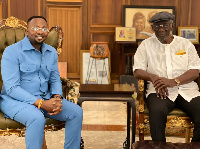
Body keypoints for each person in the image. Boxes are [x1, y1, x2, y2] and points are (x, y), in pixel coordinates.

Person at [0, 16, 83, 149]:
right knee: (37, 118)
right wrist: (41, 104)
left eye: (44, 29)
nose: (40, 31)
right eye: (36, 28)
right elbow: (12, 88)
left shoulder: (51, 52)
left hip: (45, 97)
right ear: (27, 31)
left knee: (76, 112)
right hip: (14, 101)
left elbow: (55, 78)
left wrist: (56, 98)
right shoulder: (12, 52)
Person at [133, 11, 200, 142]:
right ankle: (159, 146)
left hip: (187, 90)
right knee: (156, 114)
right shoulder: (145, 45)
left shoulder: (186, 44)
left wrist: (173, 82)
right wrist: (153, 77)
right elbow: (137, 71)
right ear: (153, 28)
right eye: (157, 26)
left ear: (172, 26)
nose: (161, 29)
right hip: (159, 91)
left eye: (165, 25)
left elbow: (195, 71)